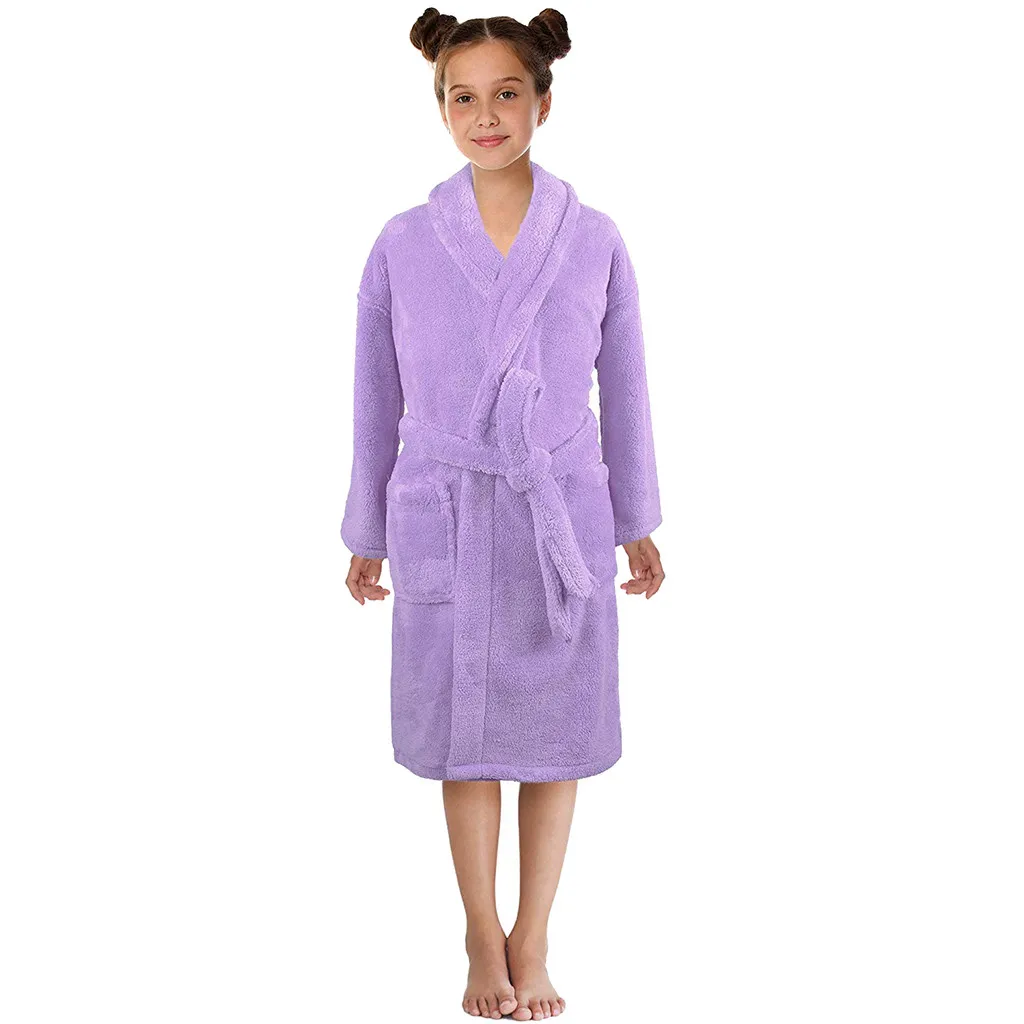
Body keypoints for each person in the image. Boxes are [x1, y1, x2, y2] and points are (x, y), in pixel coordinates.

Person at [340, 8, 665, 1020]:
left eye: (506, 94)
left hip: (557, 514)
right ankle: (482, 936)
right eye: (463, 97)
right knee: (464, 738)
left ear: (544, 103)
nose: (485, 115)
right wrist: (366, 532)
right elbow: (374, 395)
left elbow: (625, 386)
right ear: (440, 110)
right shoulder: (402, 242)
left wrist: (636, 519)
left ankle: (536, 936)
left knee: (557, 736)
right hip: (444, 506)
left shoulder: (594, 239)